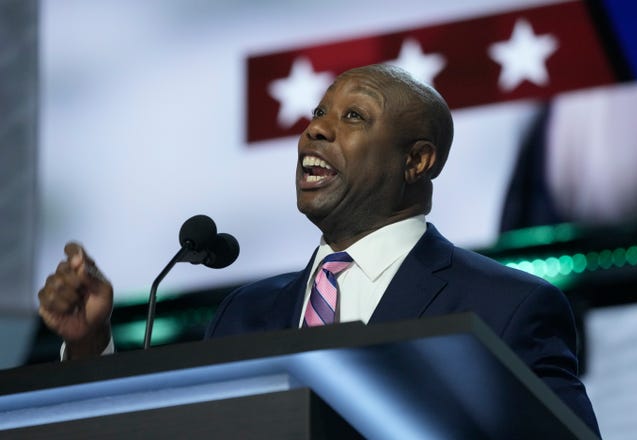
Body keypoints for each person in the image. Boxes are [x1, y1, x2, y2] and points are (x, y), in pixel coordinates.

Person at [38, 64, 600, 435]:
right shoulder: (244, 313)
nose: (316, 131)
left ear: (418, 161)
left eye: (353, 117)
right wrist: (89, 348)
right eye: (318, 114)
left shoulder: (507, 306)